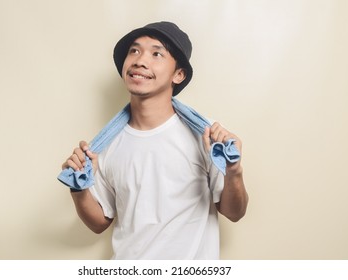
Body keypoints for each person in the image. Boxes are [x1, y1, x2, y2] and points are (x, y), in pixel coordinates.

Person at [60, 21, 248, 259]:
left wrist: (233, 171)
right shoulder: (103, 146)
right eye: (134, 51)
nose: (140, 60)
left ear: (178, 74)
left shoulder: (209, 138)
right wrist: (79, 188)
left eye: (156, 53)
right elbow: (99, 222)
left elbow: (234, 212)